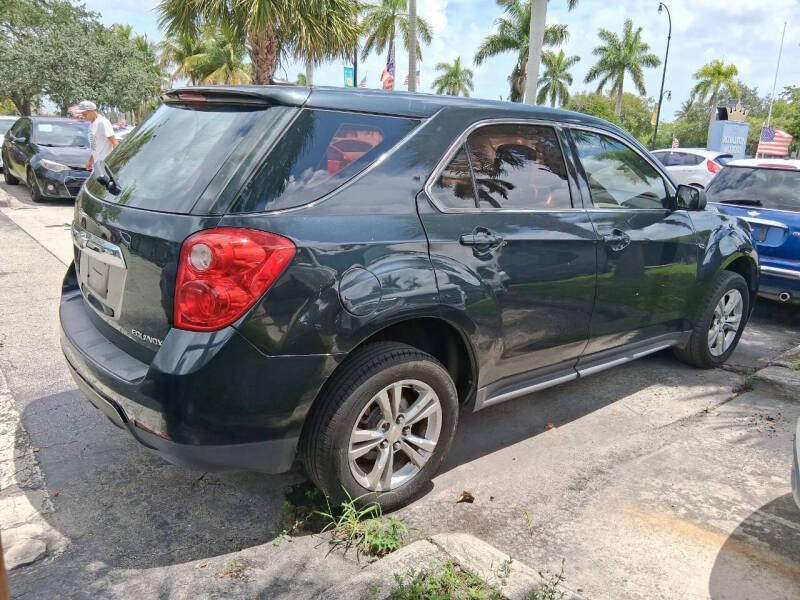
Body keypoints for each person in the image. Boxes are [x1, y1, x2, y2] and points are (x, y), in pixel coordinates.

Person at [74, 100, 119, 170]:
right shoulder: (92, 123)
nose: (83, 116)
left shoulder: (102, 122)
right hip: (97, 164)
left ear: (92, 111)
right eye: (82, 114)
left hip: (105, 164)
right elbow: (95, 146)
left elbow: (115, 143)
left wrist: (115, 161)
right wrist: (90, 160)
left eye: (85, 114)